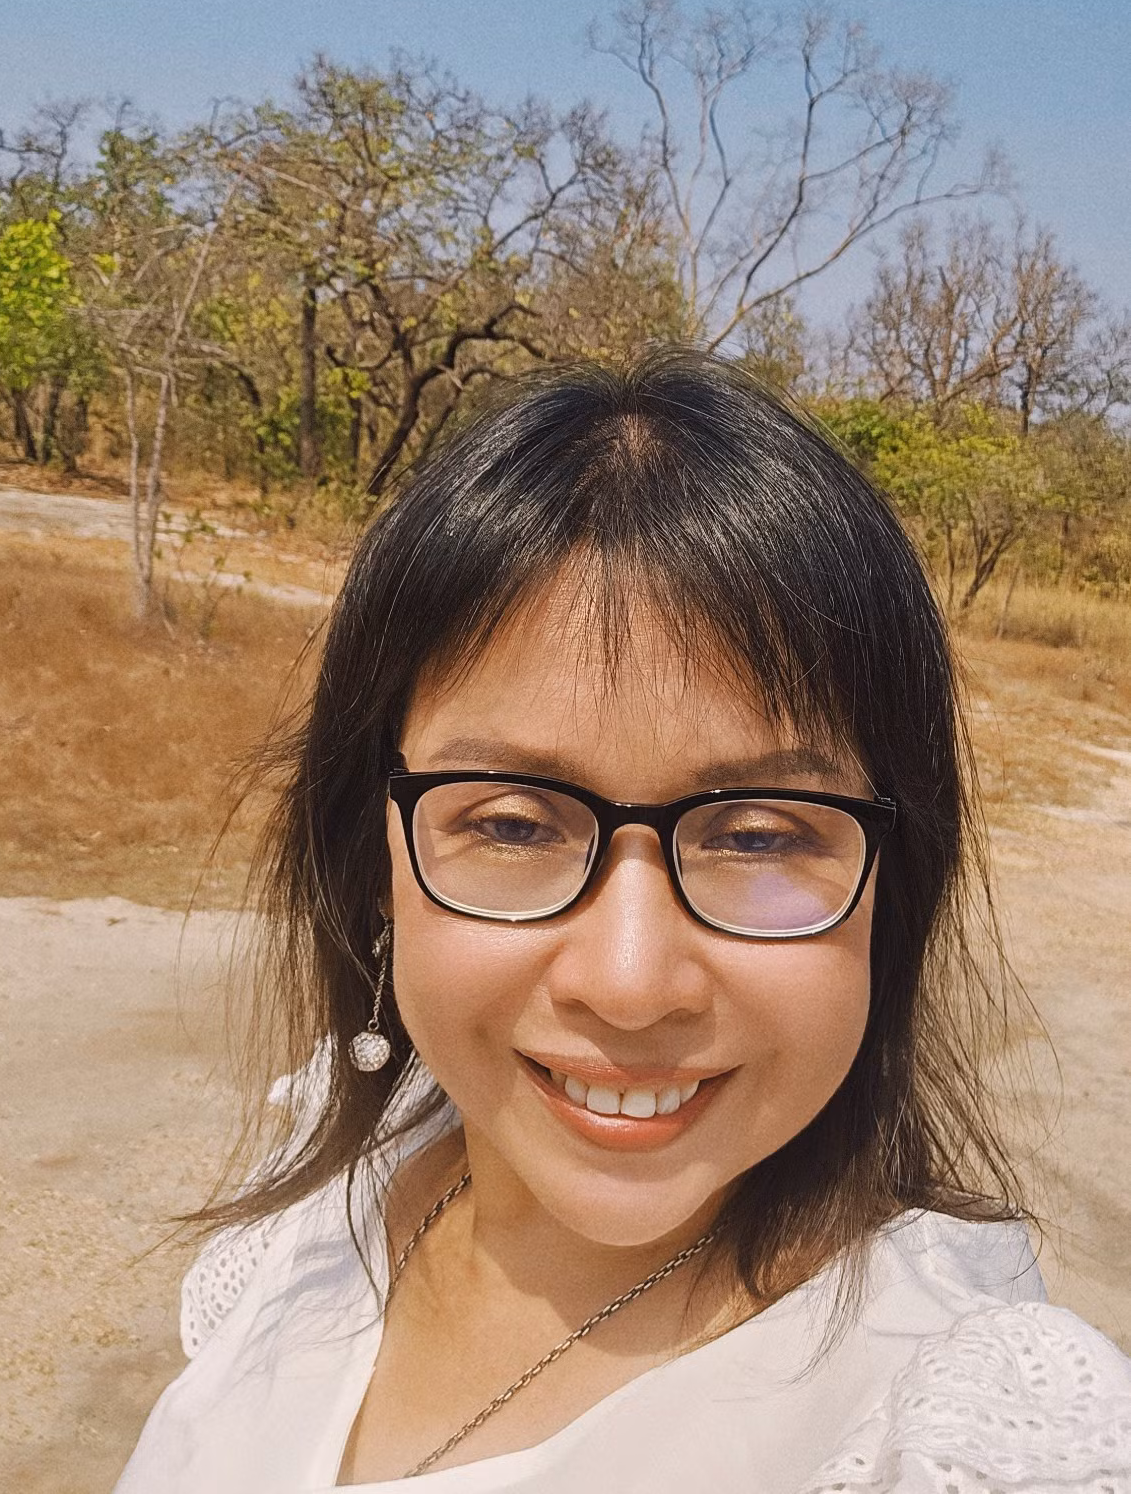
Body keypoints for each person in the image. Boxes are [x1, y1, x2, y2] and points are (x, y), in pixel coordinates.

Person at [116, 353, 1131, 1493]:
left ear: (896, 884)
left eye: (758, 837)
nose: (631, 982)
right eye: (512, 824)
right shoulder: (341, 1184)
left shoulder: (954, 1432)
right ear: (372, 856)